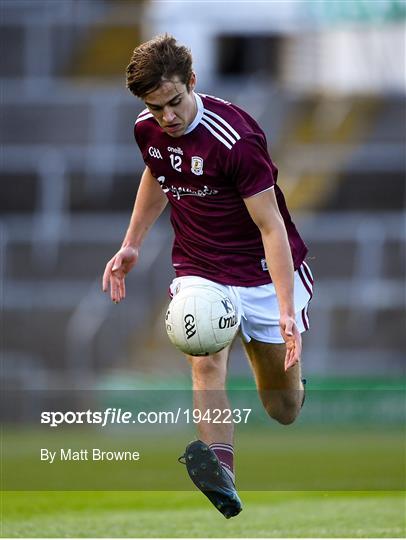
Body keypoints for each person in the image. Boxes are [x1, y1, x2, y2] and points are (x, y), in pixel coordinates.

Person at [102, 34, 313, 518]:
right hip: (200, 268)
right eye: (155, 108)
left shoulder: (236, 139)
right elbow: (158, 172)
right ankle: (223, 476)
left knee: (283, 409)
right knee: (204, 359)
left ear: (192, 82)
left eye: (174, 102)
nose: (166, 118)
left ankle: (290, 381)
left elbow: (271, 225)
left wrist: (283, 308)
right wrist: (132, 242)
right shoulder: (148, 130)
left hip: (262, 273)